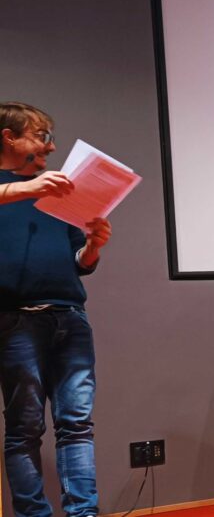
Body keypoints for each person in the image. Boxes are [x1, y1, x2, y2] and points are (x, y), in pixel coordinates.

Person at [1, 101, 112, 517]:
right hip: (15, 321)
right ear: (9, 138)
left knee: (77, 426)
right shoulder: (28, 189)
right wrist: (29, 189)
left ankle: (83, 513)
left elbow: (78, 263)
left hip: (70, 318)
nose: (50, 146)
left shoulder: (58, 191)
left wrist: (94, 245)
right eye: (41, 136)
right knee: (25, 429)